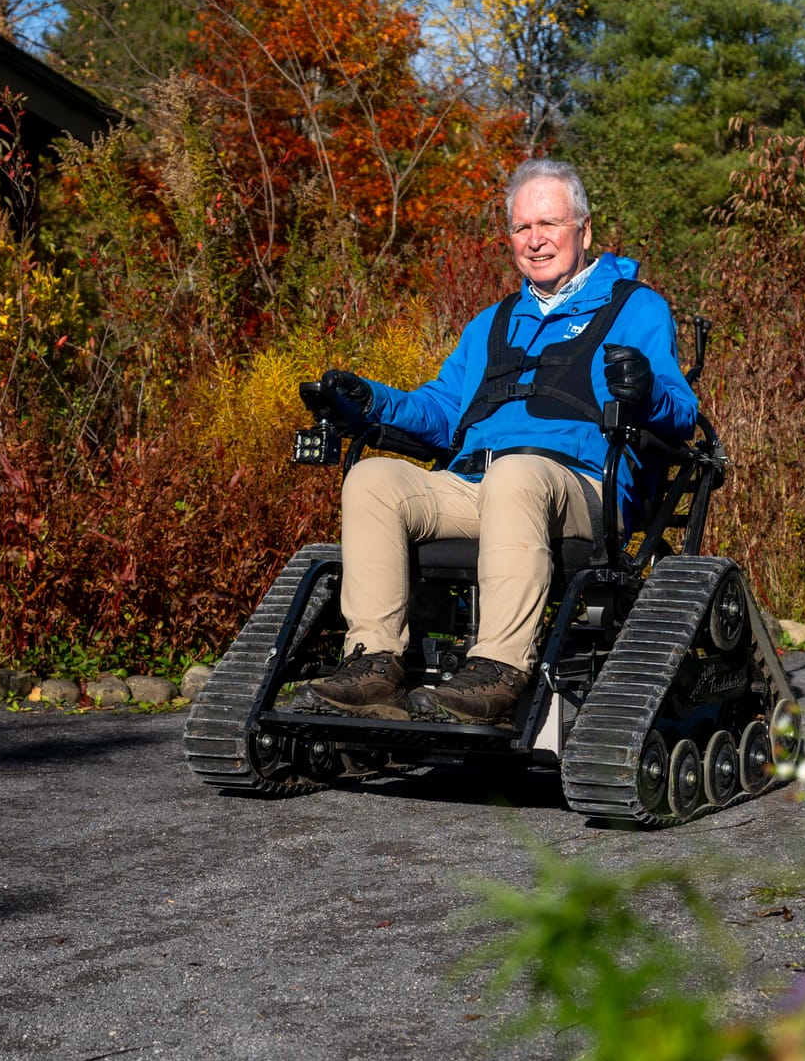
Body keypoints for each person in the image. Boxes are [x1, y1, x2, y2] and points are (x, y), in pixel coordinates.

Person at [293, 158, 698, 725]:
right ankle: (374, 663)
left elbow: (683, 415)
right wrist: (368, 401)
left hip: (582, 488)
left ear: (583, 230)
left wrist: (646, 390)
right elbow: (440, 412)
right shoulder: (492, 322)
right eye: (522, 228)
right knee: (373, 479)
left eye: (549, 225)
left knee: (518, 471)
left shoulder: (636, 307)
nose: (535, 241)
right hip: (480, 485)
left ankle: (499, 670)